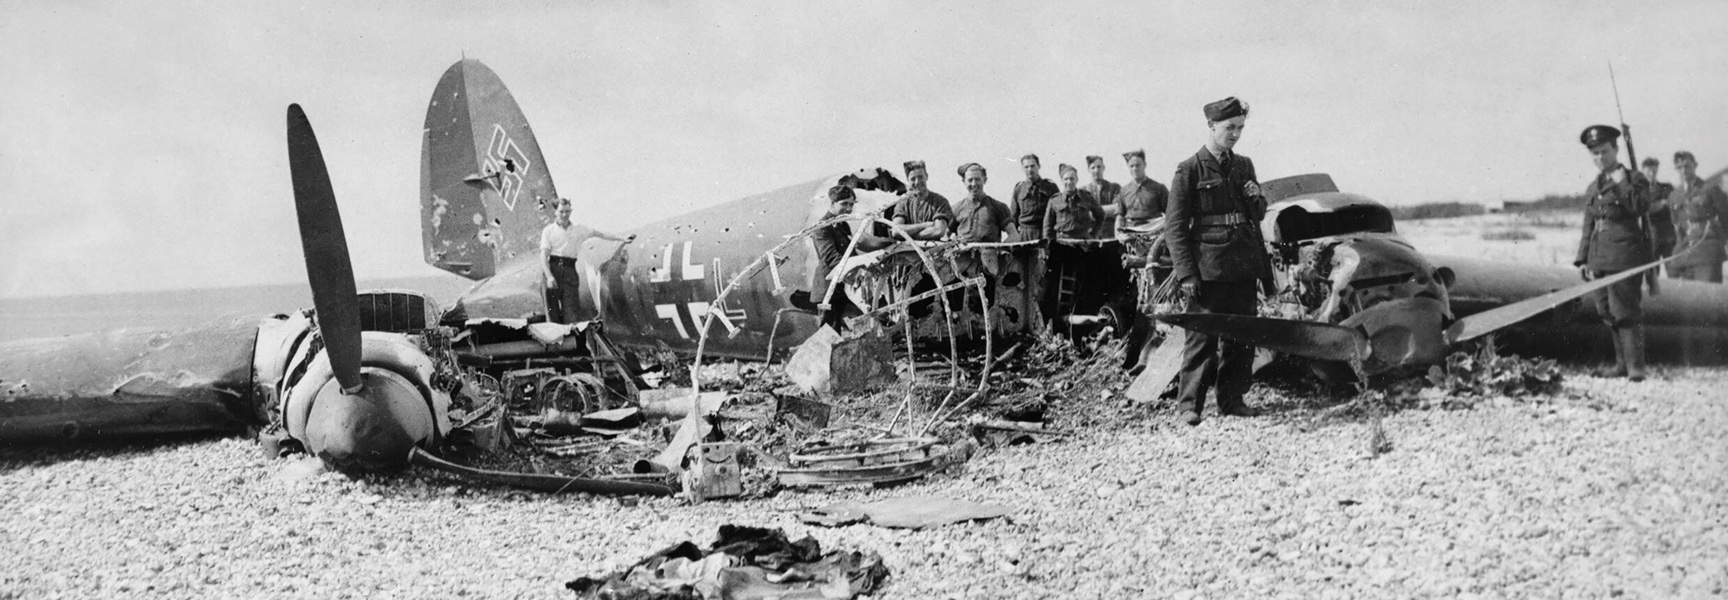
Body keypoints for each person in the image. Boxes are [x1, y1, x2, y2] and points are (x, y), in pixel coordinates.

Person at [1166, 97, 1273, 425]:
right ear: (1211, 126)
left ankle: (1232, 399)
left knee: (1241, 335)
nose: (1235, 134)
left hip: (1242, 264)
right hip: (1208, 269)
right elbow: (1174, 227)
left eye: (1240, 128)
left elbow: (1255, 216)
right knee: (1201, 337)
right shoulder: (1189, 169)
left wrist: (1258, 199)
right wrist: (1186, 273)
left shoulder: (1244, 165)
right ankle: (1189, 406)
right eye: (1229, 128)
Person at [1574, 125, 1653, 381]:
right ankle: (1621, 366)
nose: (1600, 157)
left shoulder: (1635, 178)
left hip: (1625, 253)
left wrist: (1622, 183)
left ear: (1616, 149)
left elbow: (1639, 207)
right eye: (1595, 153)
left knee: (1626, 310)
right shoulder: (1592, 186)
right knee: (1606, 310)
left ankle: (1636, 368)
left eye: (1604, 151)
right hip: (1599, 255)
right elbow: (1588, 225)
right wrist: (1583, 258)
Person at [541, 197, 634, 323]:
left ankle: (573, 341)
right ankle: (553, 342)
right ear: (555, 212)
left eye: (567, 211)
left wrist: (621, 238)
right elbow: (543, 256)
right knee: (552, 315)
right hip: (553, 269)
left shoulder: (579, 230)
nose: (564, 215)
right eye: (561, 211)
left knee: (572, 313)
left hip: (569, 270)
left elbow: (600, 234)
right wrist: (549, 276)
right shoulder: (548, 231)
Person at [812, 185, 889, 330]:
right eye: (844, 204)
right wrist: (856, 272)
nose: (848, 208)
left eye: (851, 204)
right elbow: (830, 257)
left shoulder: (842, 225)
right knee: (828, 329)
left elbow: (850, 254)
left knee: (850, 325)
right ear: (833, 203)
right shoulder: (822, 227)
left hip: (845, 285)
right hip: (830, 287)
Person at [1668, 150, 1728, 283]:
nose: (1683, 170)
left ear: (1695, 165)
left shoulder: (1710, 189)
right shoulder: (1674, 195)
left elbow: (1725, 217)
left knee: (1708, 296)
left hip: (1707, 247)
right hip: (1685, 250)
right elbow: (1677, 225)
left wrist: (1724, 242)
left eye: (1687, 166)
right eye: (1679, 167)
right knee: (1684, 294)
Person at [890, 160, 954, 241]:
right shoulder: (902, 203)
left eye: (920, 177)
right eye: (913, 179)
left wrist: (908, 234)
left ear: (927, 176)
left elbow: (938, 231)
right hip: (907, 251)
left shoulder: (940, 201)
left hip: (934, 250)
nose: (917, 182)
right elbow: (896, 231)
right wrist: (925, 225)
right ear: (908, 180)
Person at [951, 163, 1013, 244]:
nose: (974, 184)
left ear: (985, 180)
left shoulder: (998, 207)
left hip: (989, 255)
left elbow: (1014, 235)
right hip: (963, 255)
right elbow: (945, 236)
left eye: (977, 179)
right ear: (964, 182)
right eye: (970, 180)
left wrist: (999, 250)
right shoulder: (956, 208)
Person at [1043, 163, 1105, 240]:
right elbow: (1047, 225)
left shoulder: (1086, 197)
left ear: (1077, 180)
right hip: (1062, 241)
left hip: (1083, 241)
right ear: (1061, 181)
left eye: (1072, 179)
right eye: (1066, 179)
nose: (1069, 182)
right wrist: (1048, 244)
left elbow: (1101, 215)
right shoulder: (1054, 200)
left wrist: (1094, 234)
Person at [1115, 149, 1170, 233]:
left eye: (1138, 165)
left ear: (1144, 165)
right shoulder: (1124, 190)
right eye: (1131, 166)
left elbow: (1170, 212)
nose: (1135, 169)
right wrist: (1118, 235)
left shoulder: (1159, 188)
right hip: (1130, 230)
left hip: (1153, 231)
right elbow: (1120, 215)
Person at [1008, 154, 1060, 241]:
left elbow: (1057, 213)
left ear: (1038, 166)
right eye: (1026, 167)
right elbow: (1014, 216)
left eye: (1032, 166)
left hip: (1043, 232)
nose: (1030, 170)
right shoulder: (1019, 188)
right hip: (1024, 234)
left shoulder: (1050, 187)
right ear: (1023, 169)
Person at [1640, 157, 1679, 272]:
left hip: (1669, 236)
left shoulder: (1667, 187)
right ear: (1643, 171)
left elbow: (1674, 202)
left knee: (1674, 270)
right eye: (1649, 171)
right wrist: (1661, 203)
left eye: (1654, 170)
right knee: (1652, 275)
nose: (1652, 174)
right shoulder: (1639, 191)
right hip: (1650, 238)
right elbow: (1645, 209)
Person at [1085, 156, 1122, 238]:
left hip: (1110, 233)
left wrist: (1093, 211)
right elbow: (1083, 214)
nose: (1096, 170)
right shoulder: (1083, 191)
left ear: (1103, 168)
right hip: (1091, 235)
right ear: (1088, 170)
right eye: (1093, 168)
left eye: (1099, 167)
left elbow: (1118, 208)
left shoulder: (1114, 188)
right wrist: (1109, 209)